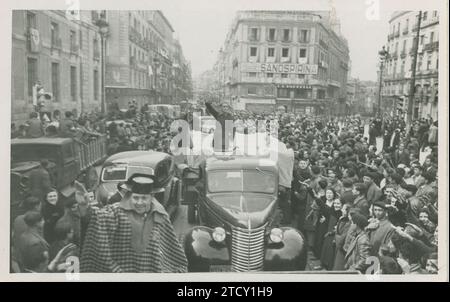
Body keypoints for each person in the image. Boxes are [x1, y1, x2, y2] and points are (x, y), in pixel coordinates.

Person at [81, 174, 188, 272]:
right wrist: (86, 206)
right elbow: (98, 217)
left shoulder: (160, 216)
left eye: (144, 198)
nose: (139, 202)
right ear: (129, 196)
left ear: (151, 197)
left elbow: (171, 247)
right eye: (135, 198)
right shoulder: (116, 212)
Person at [332, 204, 353, 270]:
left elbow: (341, 239)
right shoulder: (342, 219)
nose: (341, 210)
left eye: (343, 209)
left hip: (342, 251)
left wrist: (336, 236)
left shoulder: (348, 224)